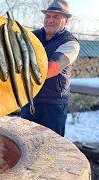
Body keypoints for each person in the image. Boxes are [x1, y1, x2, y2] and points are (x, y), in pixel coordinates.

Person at [21, 0, 80, 136]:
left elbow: (52, 68)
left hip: (53, 104)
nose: (50, 21)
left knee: (50, 146)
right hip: (29, 99)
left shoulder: (70, 43)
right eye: (48, 16)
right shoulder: (31, 36)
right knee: (24, 142)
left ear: (66, 21)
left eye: (56, 17)